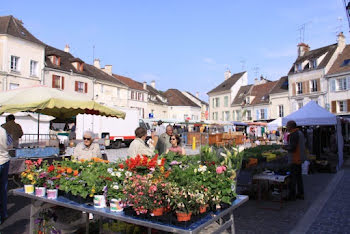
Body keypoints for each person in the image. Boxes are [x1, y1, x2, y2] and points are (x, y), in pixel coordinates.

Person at [283, 120, 306, 200]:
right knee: (298, 177)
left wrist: (285, 147)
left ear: (291, 126)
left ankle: (291, 196)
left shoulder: (294, 134)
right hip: (299, 158)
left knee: (292, 178)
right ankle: (300, 193)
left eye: (287, 125)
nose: (286, 127)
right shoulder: (300, 133)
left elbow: (292, 148)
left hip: (294, 159)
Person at [0, 127, 10, 224]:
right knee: (3, 188)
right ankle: (4, 213)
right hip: (5, 159)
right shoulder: (3, 130)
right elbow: (9, 144)